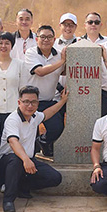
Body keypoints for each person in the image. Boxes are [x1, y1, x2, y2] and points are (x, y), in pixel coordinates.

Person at [0, 86, 61, 212]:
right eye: (26, 102)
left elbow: (48, 114)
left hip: (27, 159)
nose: (30, 105)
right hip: (8, 161)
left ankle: (21, 186)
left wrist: (63, 101)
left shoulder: (35, 116)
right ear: (19, 102)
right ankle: (8, 200)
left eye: (33, 102)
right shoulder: (13, 119)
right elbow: (13, 141)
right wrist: (25, 160)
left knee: (55, 177)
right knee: (15, 161)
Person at [24, 25, 68, 157]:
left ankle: (43, 142)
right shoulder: (31, 53)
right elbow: (40, 71)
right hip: (30, 101)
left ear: (54, 39)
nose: (46, 40)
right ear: (37, 39)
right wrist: (62, 61)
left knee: (57, 128)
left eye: (49, 37)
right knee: (28, 132)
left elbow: (66, 71)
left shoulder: (59, 55)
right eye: (42, 37)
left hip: (49, 100)